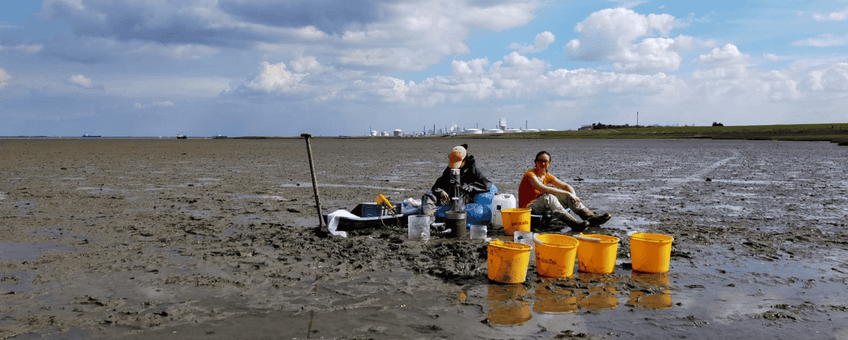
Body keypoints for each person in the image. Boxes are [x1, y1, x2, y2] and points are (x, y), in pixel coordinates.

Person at [518, 150, 611, 232]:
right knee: (550, 197)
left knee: (566, 196)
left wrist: (572, 195)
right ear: (536, 162)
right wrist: (567, 193)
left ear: (549, 163)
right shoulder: (530, 175)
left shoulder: (546, 175)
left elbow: (566, 186)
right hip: (528, 208)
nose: (543, 164)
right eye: (540, 161)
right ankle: (574, 224)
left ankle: (591, 218)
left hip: (541, 206)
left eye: (545, 161)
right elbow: (545, 189)